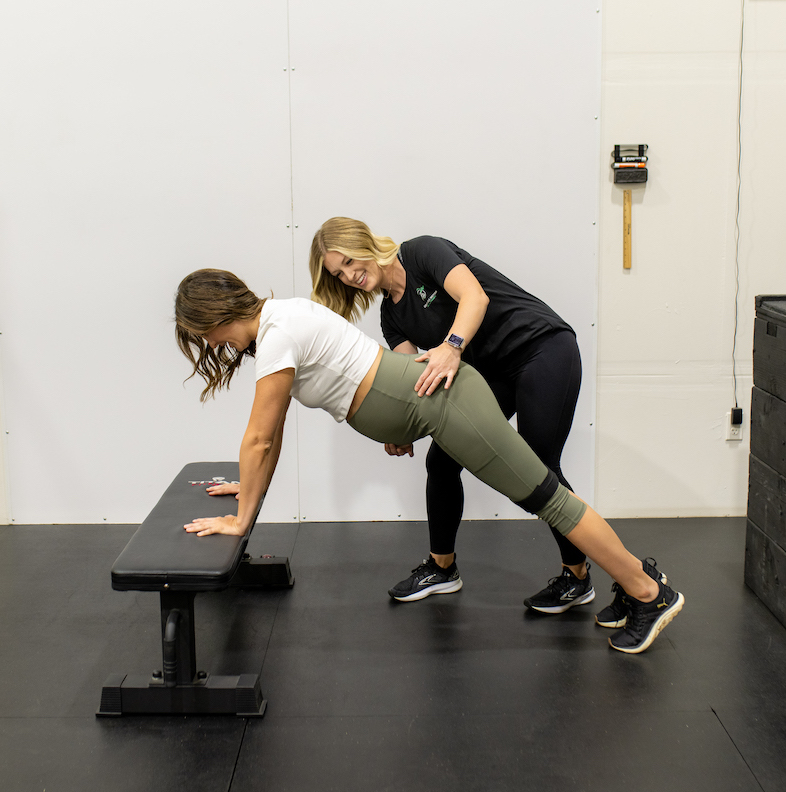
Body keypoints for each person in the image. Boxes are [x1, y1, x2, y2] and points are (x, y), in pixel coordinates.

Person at [174, 268, 684, 654]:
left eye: (206, 335)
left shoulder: (277, 333)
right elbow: (272, 432)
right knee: (548, 496)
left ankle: (648, 590)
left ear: (214, 317)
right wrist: (248, 488)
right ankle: (637, 584)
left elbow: (260, 437)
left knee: (549, 498)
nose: (213, 345)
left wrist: (241, 519)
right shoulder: (280, 320)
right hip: (436, 405)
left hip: (446, 404)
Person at [308, 218, 604, 617]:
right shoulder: (391, 318)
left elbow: (474, 298)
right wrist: (398, 427)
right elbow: (408, 378)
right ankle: (442, 568)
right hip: (493, 375)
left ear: (363, 242)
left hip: (541, 347)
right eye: (337, 273)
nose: (348, 275)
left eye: (347, 261)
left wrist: (451, 346)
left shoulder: (420, 251)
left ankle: (577, 575)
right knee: (442, 462)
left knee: (538, 464)